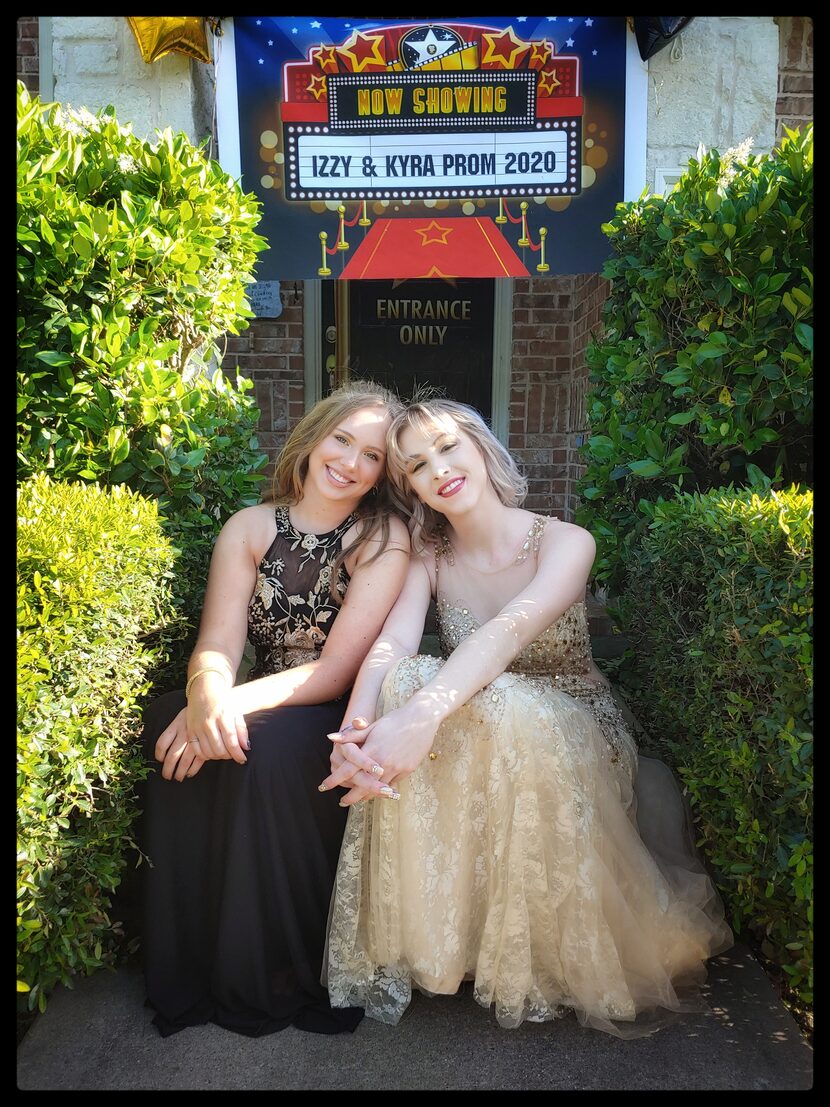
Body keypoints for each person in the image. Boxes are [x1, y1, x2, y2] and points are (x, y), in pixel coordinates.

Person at [320, 397, 733, 1039]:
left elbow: (504, 638)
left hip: (576, 719)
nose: (440, 470)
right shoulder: (429, 558)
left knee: (492, 699)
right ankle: (446, 942)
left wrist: (426, 714)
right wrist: (355, 730)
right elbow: (393, 645)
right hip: (479, 708)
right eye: (417, 466)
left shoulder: (565, 541)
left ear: (482, 448)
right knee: (408, 677)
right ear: (410, 488)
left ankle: (528, 954)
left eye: (450, 447)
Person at [139, 380, 411, 1038]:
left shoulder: (384, 535)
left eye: (371, 455)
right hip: (260, 687)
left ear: (383, 473)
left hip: (338, 706)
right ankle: (189, 973)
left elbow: (336, 670)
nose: (349, 460)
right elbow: (219, 640)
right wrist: (206, 691)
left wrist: (226, 704)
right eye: (341, 439)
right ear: (315, 436)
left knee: (264, 745)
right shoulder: (250, 526)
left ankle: (273, 974)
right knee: (168, 718)